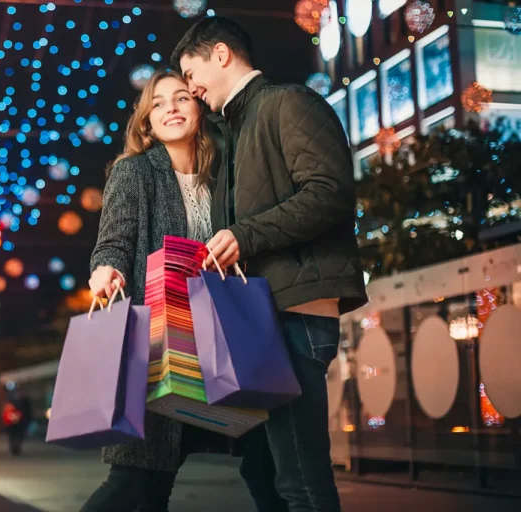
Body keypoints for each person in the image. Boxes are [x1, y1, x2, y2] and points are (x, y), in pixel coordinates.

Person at [171, 16, 368, 512]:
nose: (189, 87)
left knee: (301, 480)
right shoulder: (232, 131)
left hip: (296, 309)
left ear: (220, 54)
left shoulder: (288, 102)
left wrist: (243, 235)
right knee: (265, 472)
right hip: (262, 317)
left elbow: (329, 195)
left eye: (191, 72)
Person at [83, 70, 231, 512]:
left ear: (198, 108)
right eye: (159, 101)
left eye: (182, 97)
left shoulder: (222, 174)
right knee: (135, 477)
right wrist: (104, 271)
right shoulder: (135, 172)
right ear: (147, 120)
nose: (171, 107)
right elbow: (113, 240)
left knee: (158, 482)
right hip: (158, 339)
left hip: (212, 338)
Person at [3, 387, 32, 456]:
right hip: (14, 420)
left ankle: (15, 447)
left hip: (19, 420)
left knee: (17, 435)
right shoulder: (20, 400)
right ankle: (15, 447)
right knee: (15, 435)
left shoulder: (23, 400)